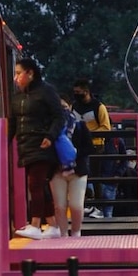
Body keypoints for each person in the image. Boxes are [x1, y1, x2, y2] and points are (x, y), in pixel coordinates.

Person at [8, 58, 63, 240]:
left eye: (18, 73)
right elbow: (13, 123)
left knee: (35, 184)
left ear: (30, 73)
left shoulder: (46, 91)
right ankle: (53, 225)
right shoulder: (17, 97)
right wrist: (5, 143)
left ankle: (35, 224)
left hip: (42, 145)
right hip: (25, 145)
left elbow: (59, 116)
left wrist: (50, 136)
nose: (15, 77)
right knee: (39, 185)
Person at [50, 97, 94, 237]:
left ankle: (76, 232)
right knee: (59, 206)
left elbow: (89, 148)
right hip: (57, 171)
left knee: (76, 205)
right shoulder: (50, 129)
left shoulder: (80, 126)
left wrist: (75, 152)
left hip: (78, 171)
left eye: (64, 107)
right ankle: (63, 234)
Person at [71, 78, 111, 218]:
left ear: (86, 92)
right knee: (79, 175)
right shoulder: (74, 106)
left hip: (96, 145)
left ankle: (97, 206)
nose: (76, 94)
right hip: (77, 146)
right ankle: (84, 204)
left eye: (78, 92)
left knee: (95, 176)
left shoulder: (98, 107)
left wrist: (89, 135)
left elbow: (106, 127)